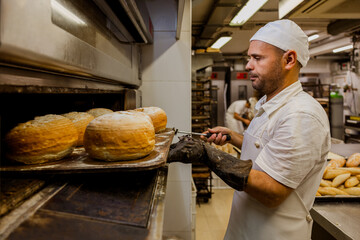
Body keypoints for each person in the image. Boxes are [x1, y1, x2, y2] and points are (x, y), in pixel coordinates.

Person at [202, 19, 330, 239]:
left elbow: (273, 191)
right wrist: (233, 137)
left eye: (257, 58)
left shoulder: (301, 114)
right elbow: (265, 148)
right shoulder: (269, 105)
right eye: (249, 58)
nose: (249, 65)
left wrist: (209, 156)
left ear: (289, 59)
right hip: (246, 228)